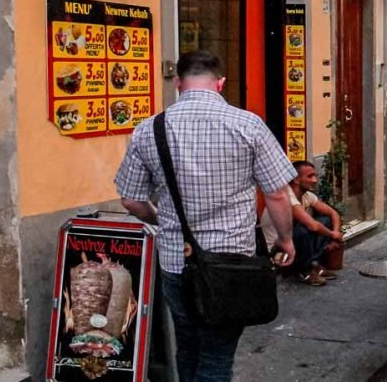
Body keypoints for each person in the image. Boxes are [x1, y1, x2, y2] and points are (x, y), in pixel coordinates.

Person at [115, 50, 296, 382]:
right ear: (221, 83)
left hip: (175, 262)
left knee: (187, 348)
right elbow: (277, 194)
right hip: (231, 263)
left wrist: (160, 219)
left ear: (178, 84)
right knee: (216, 355)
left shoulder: (149, 129)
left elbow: (131, 200)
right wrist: (285, 238)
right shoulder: (248, 125)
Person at [260, 160, 343, 286]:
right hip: (277, 251)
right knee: (306, 228)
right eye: (310, 176)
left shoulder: (306, 195)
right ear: (296, 180)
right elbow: (313, 226)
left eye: (315, 176)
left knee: (325, 220)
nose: (315, 180)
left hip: (291, 244)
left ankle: (313, 264)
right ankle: (305, 270)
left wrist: (336, 231)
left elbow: (333, 213)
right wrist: (332, 235)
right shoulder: (286, 196)